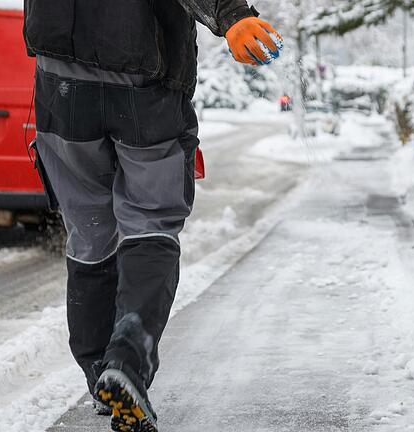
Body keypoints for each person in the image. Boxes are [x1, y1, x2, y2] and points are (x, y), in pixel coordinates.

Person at [23, 1, 282, 431]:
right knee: (150, 221)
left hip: (59, 82)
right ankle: (124, 363)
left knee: (89, 230)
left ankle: (98, 373)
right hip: (142, 76)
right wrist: (233, 15)